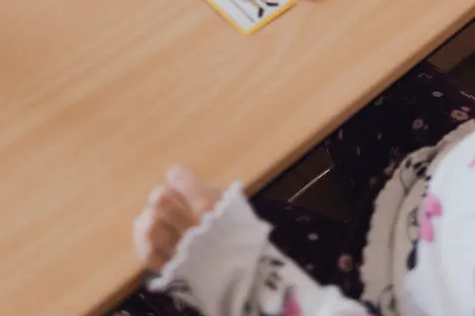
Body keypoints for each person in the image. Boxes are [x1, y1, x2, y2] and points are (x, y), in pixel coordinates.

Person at [125, 62, 475, 316]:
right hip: (447, 168)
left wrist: (240, 277)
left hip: (386, 290)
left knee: (128, 276)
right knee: (364, 59)